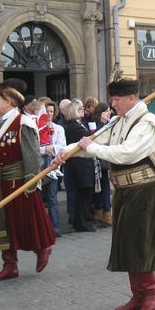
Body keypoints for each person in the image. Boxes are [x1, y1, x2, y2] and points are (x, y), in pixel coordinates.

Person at [55, 75, 155, 310]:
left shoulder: (147, 123)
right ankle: (138, 293)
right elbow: (97, 142)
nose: (113, 104)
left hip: (145, 190)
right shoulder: (120, 121)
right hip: (125, 190)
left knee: (141, 242)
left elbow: (126, 154)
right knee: (127, 242)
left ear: (132, 98)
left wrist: (90, 147)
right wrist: (67, 152)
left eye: (117, 99)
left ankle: (152, 291)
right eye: (113, 99)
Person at [0, 82, 56, 281]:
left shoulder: (23, 123)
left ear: (10, 102)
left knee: (25, 222)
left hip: (18, 183)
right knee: (3, 225)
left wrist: (31, 182)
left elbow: (31, 155)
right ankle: (9, 265)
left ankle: (41, 249)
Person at [62, 98, 96, 232]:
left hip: (83, 163)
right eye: (79, 109)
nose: (82, 111)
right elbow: (88, 139)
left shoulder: (78, 124)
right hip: (80, 164)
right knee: (83, 194)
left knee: (84, 194)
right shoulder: (74, 127)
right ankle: (82, 222)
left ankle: (82, 220)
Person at [37, 98, 66, 237]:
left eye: (51, 111)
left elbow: (62, 146)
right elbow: (34, 147)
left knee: (52, 198)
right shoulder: (37, 127)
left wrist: (51, 148)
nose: (48, 114)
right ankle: (42, 228)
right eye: (46, 111)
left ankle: (55, 227)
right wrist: (44, 150)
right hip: (39, 167)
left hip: (53, 166)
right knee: (39, 199)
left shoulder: (59, 128)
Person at [91, 102, 113, 226]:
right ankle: (104, 213)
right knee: (103, 187)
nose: (109, 113)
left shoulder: (105, 123)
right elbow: (96, 137)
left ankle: (101, 213)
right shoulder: (97, 123)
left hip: (104, 158)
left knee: (102, 186)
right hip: (99, 159)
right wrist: (102, 123)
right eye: (107, 111)